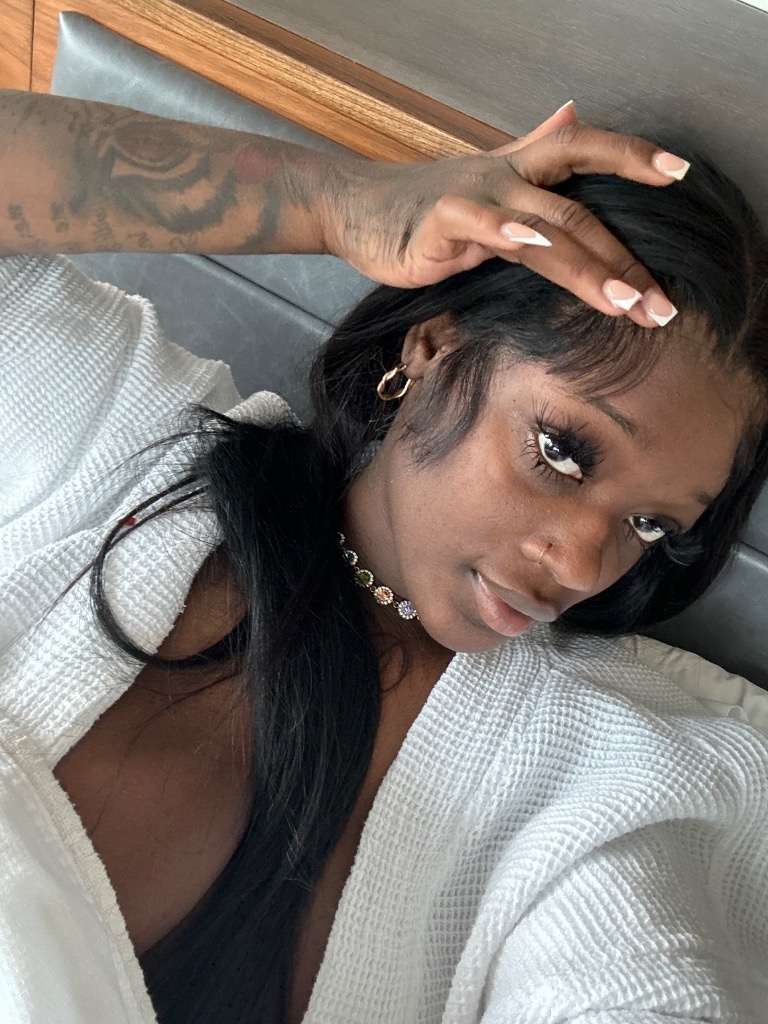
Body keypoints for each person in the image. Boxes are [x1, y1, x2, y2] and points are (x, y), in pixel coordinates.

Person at [1, 88, 767, 1024]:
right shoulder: (111, 443)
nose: (580, 564)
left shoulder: (598, 778)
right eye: (563, 453)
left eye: (649, 525)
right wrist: (337, 202)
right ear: (434, 347)